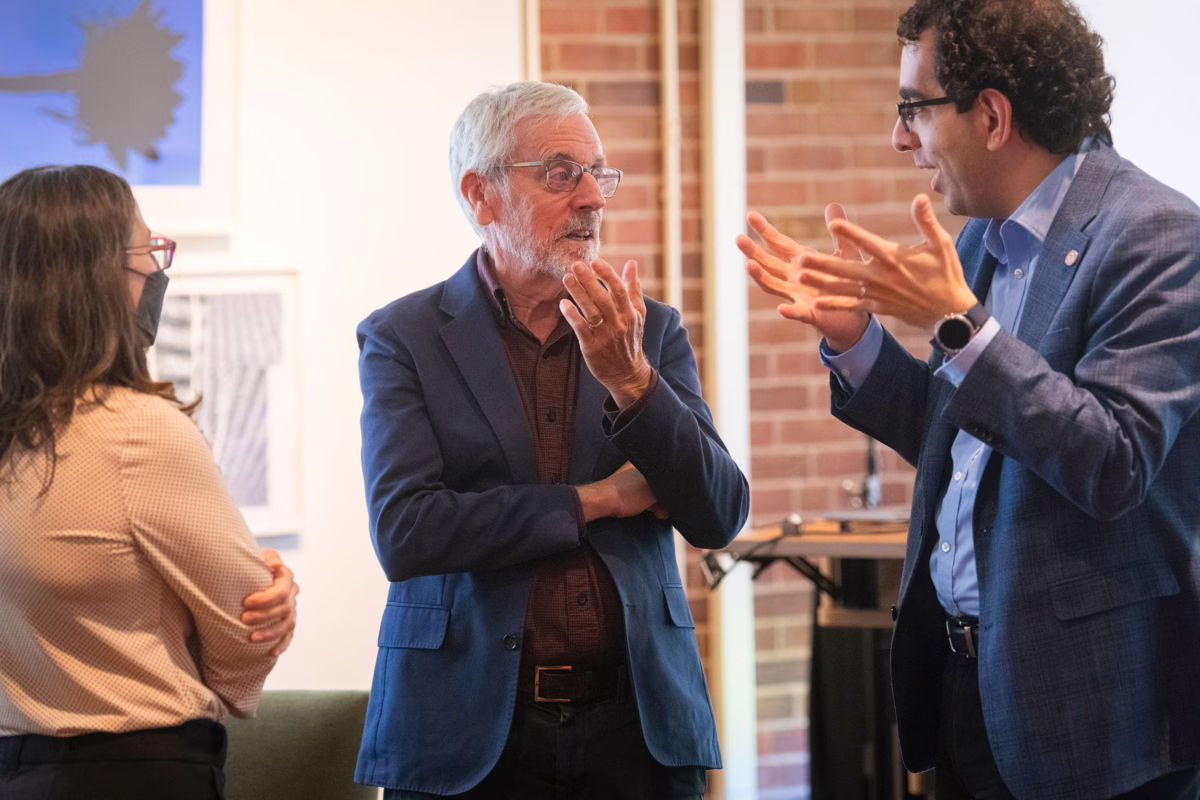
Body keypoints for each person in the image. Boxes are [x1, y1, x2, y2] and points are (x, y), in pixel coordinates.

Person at [738, 1, 1200, 798]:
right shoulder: (983, 238)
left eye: (913, 108)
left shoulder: (1156, 236)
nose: (899, 138)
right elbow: (967, 444)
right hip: (965, 686)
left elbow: (1113, 463)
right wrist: (860, 343)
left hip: (1094, 717)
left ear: (991, 116)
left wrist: (959, 328)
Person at [354, 81, 749, 799]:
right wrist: (595, 501)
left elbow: (720, 514)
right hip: (462, 732)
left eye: (599, 173)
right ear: (482, 196)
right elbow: (407, 532)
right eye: (563, 174)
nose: (594, 198)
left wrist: (634, 384)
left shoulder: (647, 332)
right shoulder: (403, 338)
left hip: (637, 732)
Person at [0, 164, 299, 800]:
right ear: (97, 280)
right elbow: (243, 641)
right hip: (135, 771)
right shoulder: (138, 432)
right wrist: (274, 592)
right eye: (148, 253)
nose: (156, 273)